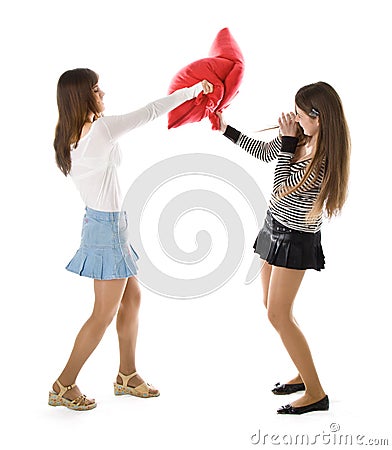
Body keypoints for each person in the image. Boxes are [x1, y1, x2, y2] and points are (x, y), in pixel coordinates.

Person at [49, 68, 214, 411]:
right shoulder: (101, 130)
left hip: (105, 225)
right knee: (102, 315)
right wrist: (192, 90)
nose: (103, 93)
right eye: (97, 89)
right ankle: (64, 384)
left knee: (132, 299)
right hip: (107, 229)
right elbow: (152, 111)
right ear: (83, 96)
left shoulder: (69, 135)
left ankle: (127, 375)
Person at [217, 81, 350, 414]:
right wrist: (225, 129)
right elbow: (264, 152)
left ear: (318, 118)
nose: (294, 116)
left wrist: (289, 141)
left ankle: (316, 393)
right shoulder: (300, 139)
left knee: (278, 314)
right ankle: (303, 374)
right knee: (273, 308)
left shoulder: (323, 158)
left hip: (295, 239)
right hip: (272, 228)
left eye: (301, 113)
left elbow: (281, 189)